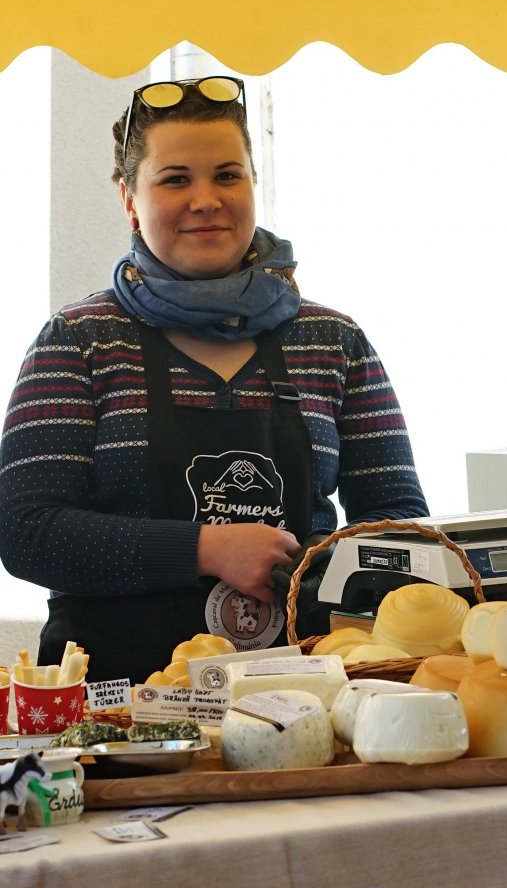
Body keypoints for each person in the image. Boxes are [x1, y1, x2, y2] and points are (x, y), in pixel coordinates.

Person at [0, 75, 428, 686]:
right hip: (115, 706)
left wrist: (327, 579)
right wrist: (207, 547)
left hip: (302, 693)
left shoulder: (332, 341)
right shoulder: (78, 341)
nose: (206, 198)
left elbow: (397, 524)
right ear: (129, 196)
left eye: (228, 174)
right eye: (176, 179)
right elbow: (27, 533)